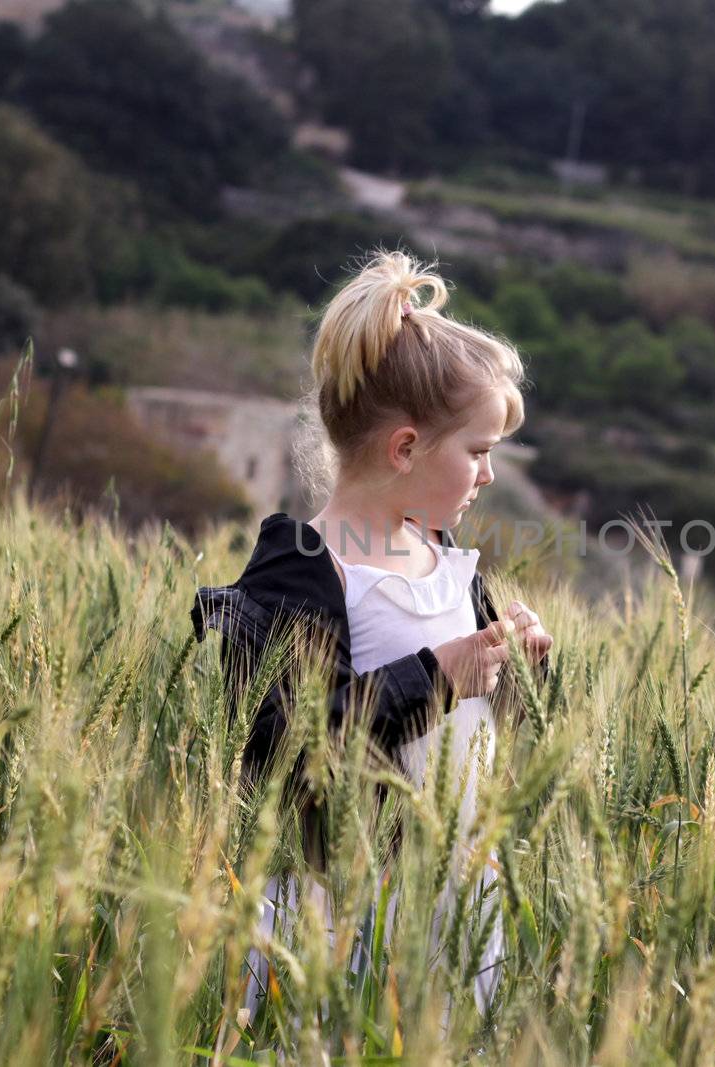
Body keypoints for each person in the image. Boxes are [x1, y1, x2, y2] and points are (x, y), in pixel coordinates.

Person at [189, 249, 553, 1032]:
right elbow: (284, 742)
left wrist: (518, 666)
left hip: (452, 901)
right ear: (406, 448)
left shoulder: (451, 563)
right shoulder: (305, 568)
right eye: (480, 452)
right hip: (338, 912)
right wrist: (435, 673)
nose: (488, 475)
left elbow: (482, 736)